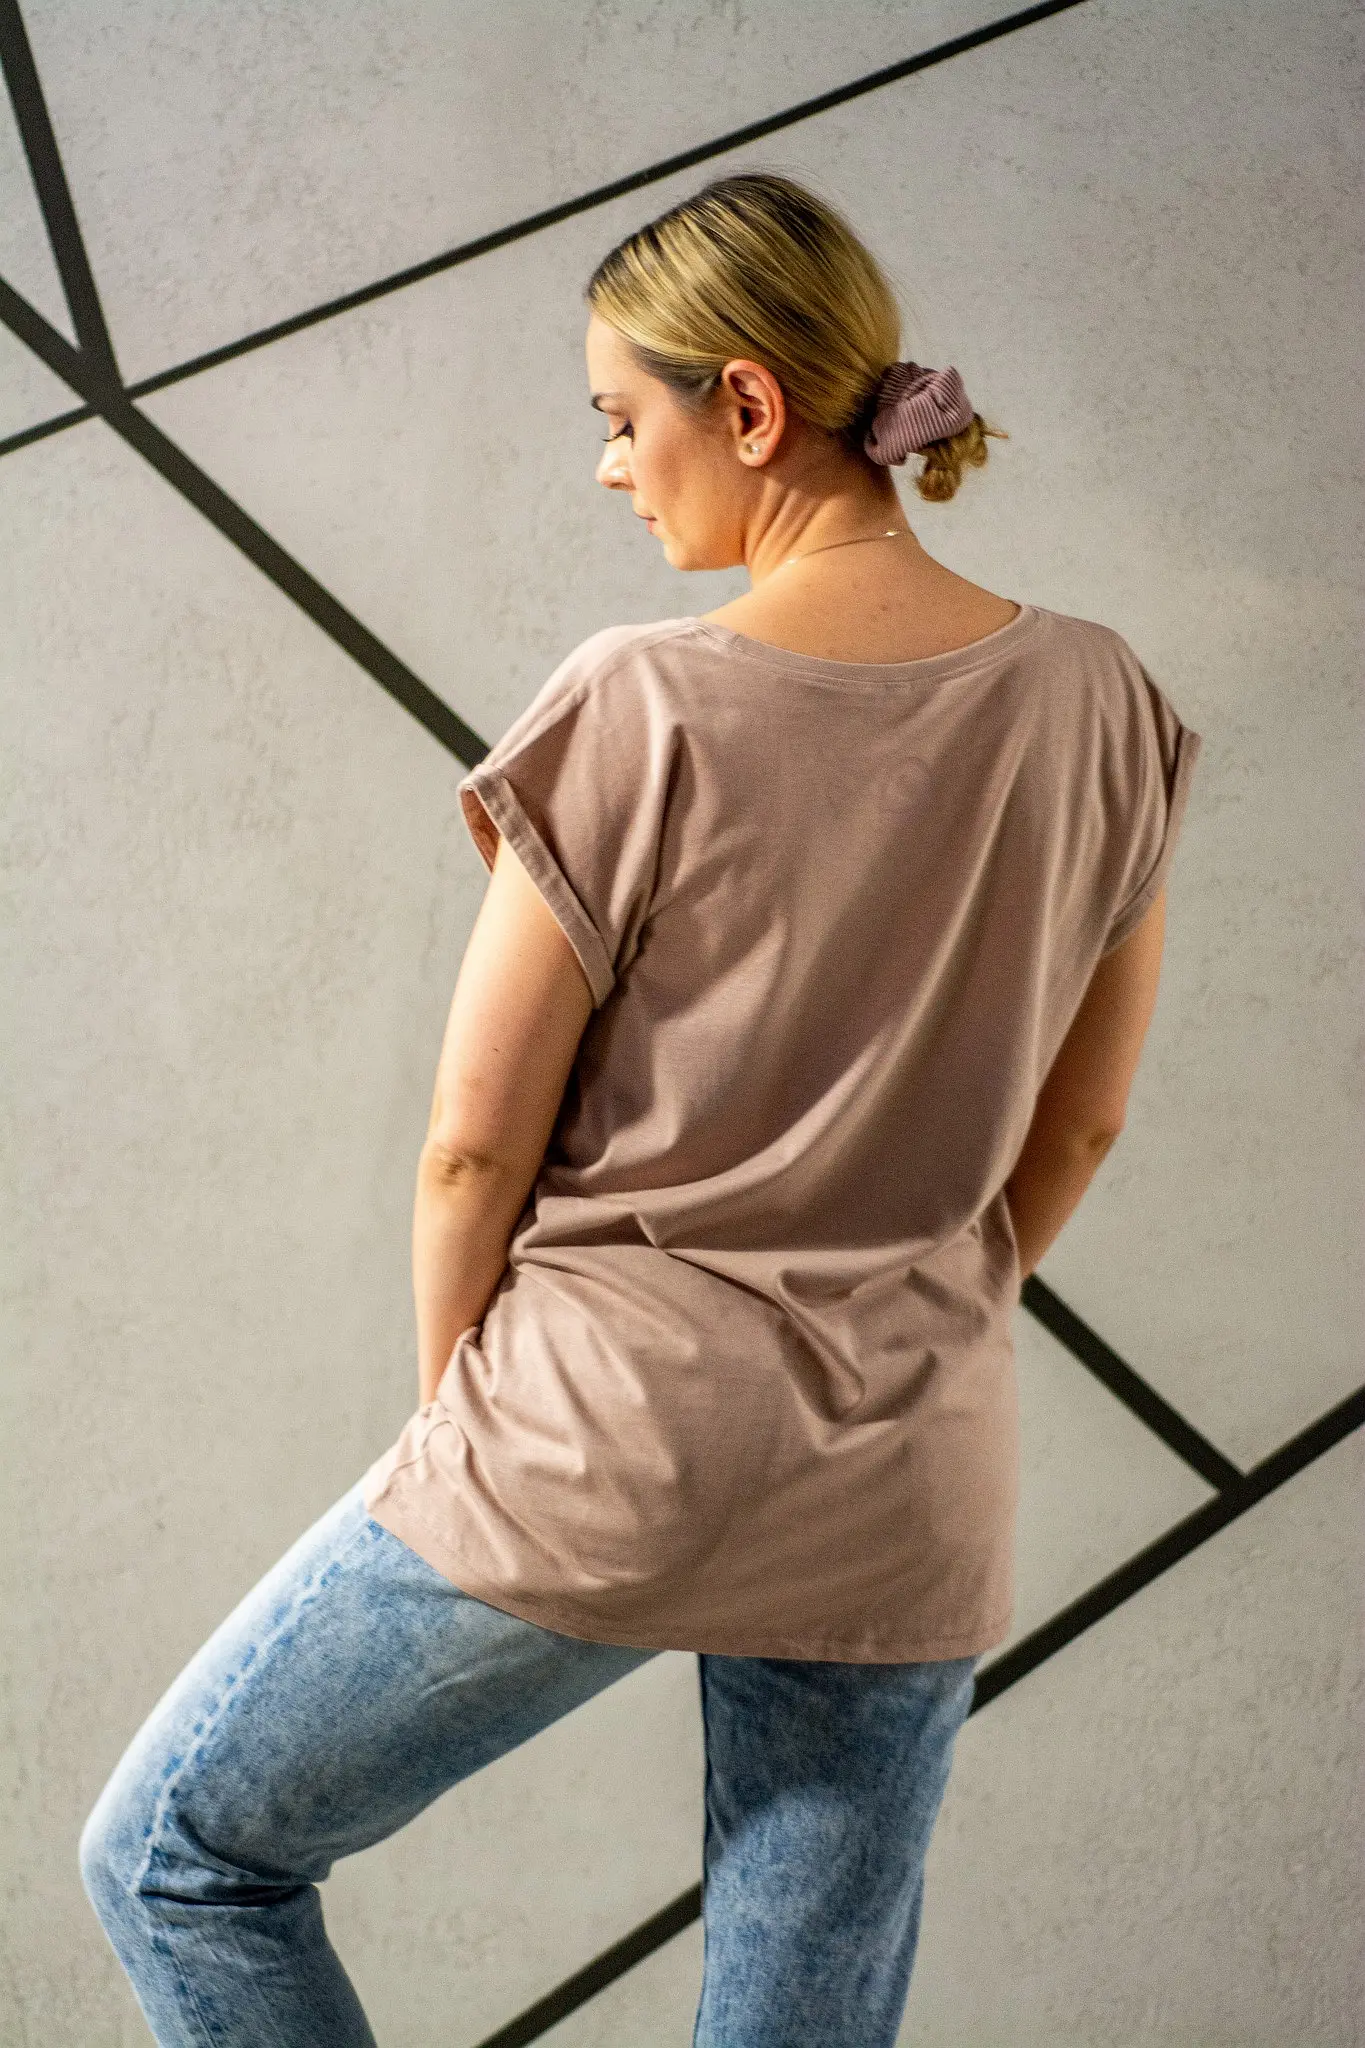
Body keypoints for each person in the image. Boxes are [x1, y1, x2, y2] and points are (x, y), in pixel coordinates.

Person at [79, 170, 1202, 2046]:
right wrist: (911, 1316)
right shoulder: (1108, 702)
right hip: (912, 1467)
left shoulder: (640, 703)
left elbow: (472, 1145)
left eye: (620, 418)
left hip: (601, 1432)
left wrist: (461, 1420)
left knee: (179, 1861)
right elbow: (1077, 1127)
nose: (613, 468)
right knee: (799, 2017)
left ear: (746, 405)